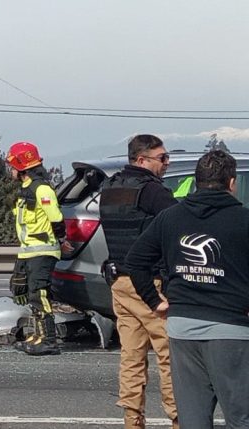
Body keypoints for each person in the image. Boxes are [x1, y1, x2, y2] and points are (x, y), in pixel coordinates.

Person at [127, 150, 249, 429]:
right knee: (241, 417)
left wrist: (155, 302)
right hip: (232, 328)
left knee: (193, 419)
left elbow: (135, 261)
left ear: (196, 182)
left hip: (182, 327)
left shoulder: (171, 217)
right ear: (232, 183)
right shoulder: (243, 220)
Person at [99, 134, 178, 429]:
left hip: (119, 282)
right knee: (170, 357)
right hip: (150, 285)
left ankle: (132, 420)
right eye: (162, 158)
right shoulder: (153, 192)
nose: (167, 163)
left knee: (131, 358)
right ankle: (178, 418)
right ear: (142, 160)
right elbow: (177, 227)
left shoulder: (111, 187)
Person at [6, 141, 65, 356]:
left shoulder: (41, 189)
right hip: (28, 250)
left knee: (39, 294)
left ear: (21, 166)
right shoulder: (25, 190)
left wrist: (62, 239)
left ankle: (49, 340)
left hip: (42, 250)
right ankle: (38, 335)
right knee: (25, 293)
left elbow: (56, 218)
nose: (10, 170)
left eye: (12, 166)